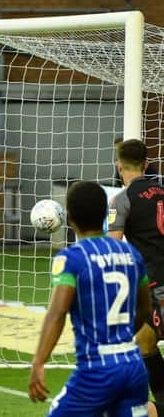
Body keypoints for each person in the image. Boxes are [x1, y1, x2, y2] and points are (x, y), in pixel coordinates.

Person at [28, 180, 150, 416]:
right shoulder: (131, 253)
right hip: (133, 366)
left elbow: (58, 312)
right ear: (105, 213)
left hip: (97, 369)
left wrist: (38, 362)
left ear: (70, 217)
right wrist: (120, 339)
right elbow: (145, 309)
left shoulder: (72, 259)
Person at [108, 139, 164, 404]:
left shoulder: (121, 200)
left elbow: (113, 247)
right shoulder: (162, 191)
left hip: (155, 284)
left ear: (119, 165)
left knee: (144, 343)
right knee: (145, 340)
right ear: (147, 164)